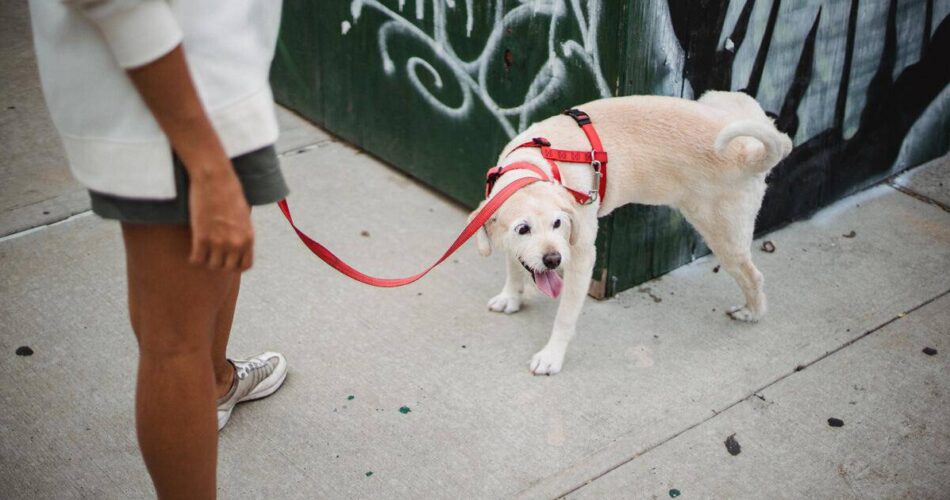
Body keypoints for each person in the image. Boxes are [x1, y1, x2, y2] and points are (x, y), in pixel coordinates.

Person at [30, 0, 288, 497]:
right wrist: (207, 162)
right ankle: (202, 385)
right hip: (168, 96)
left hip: (216, 78)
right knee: (174, 342)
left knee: (220, 254)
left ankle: (215, 384)